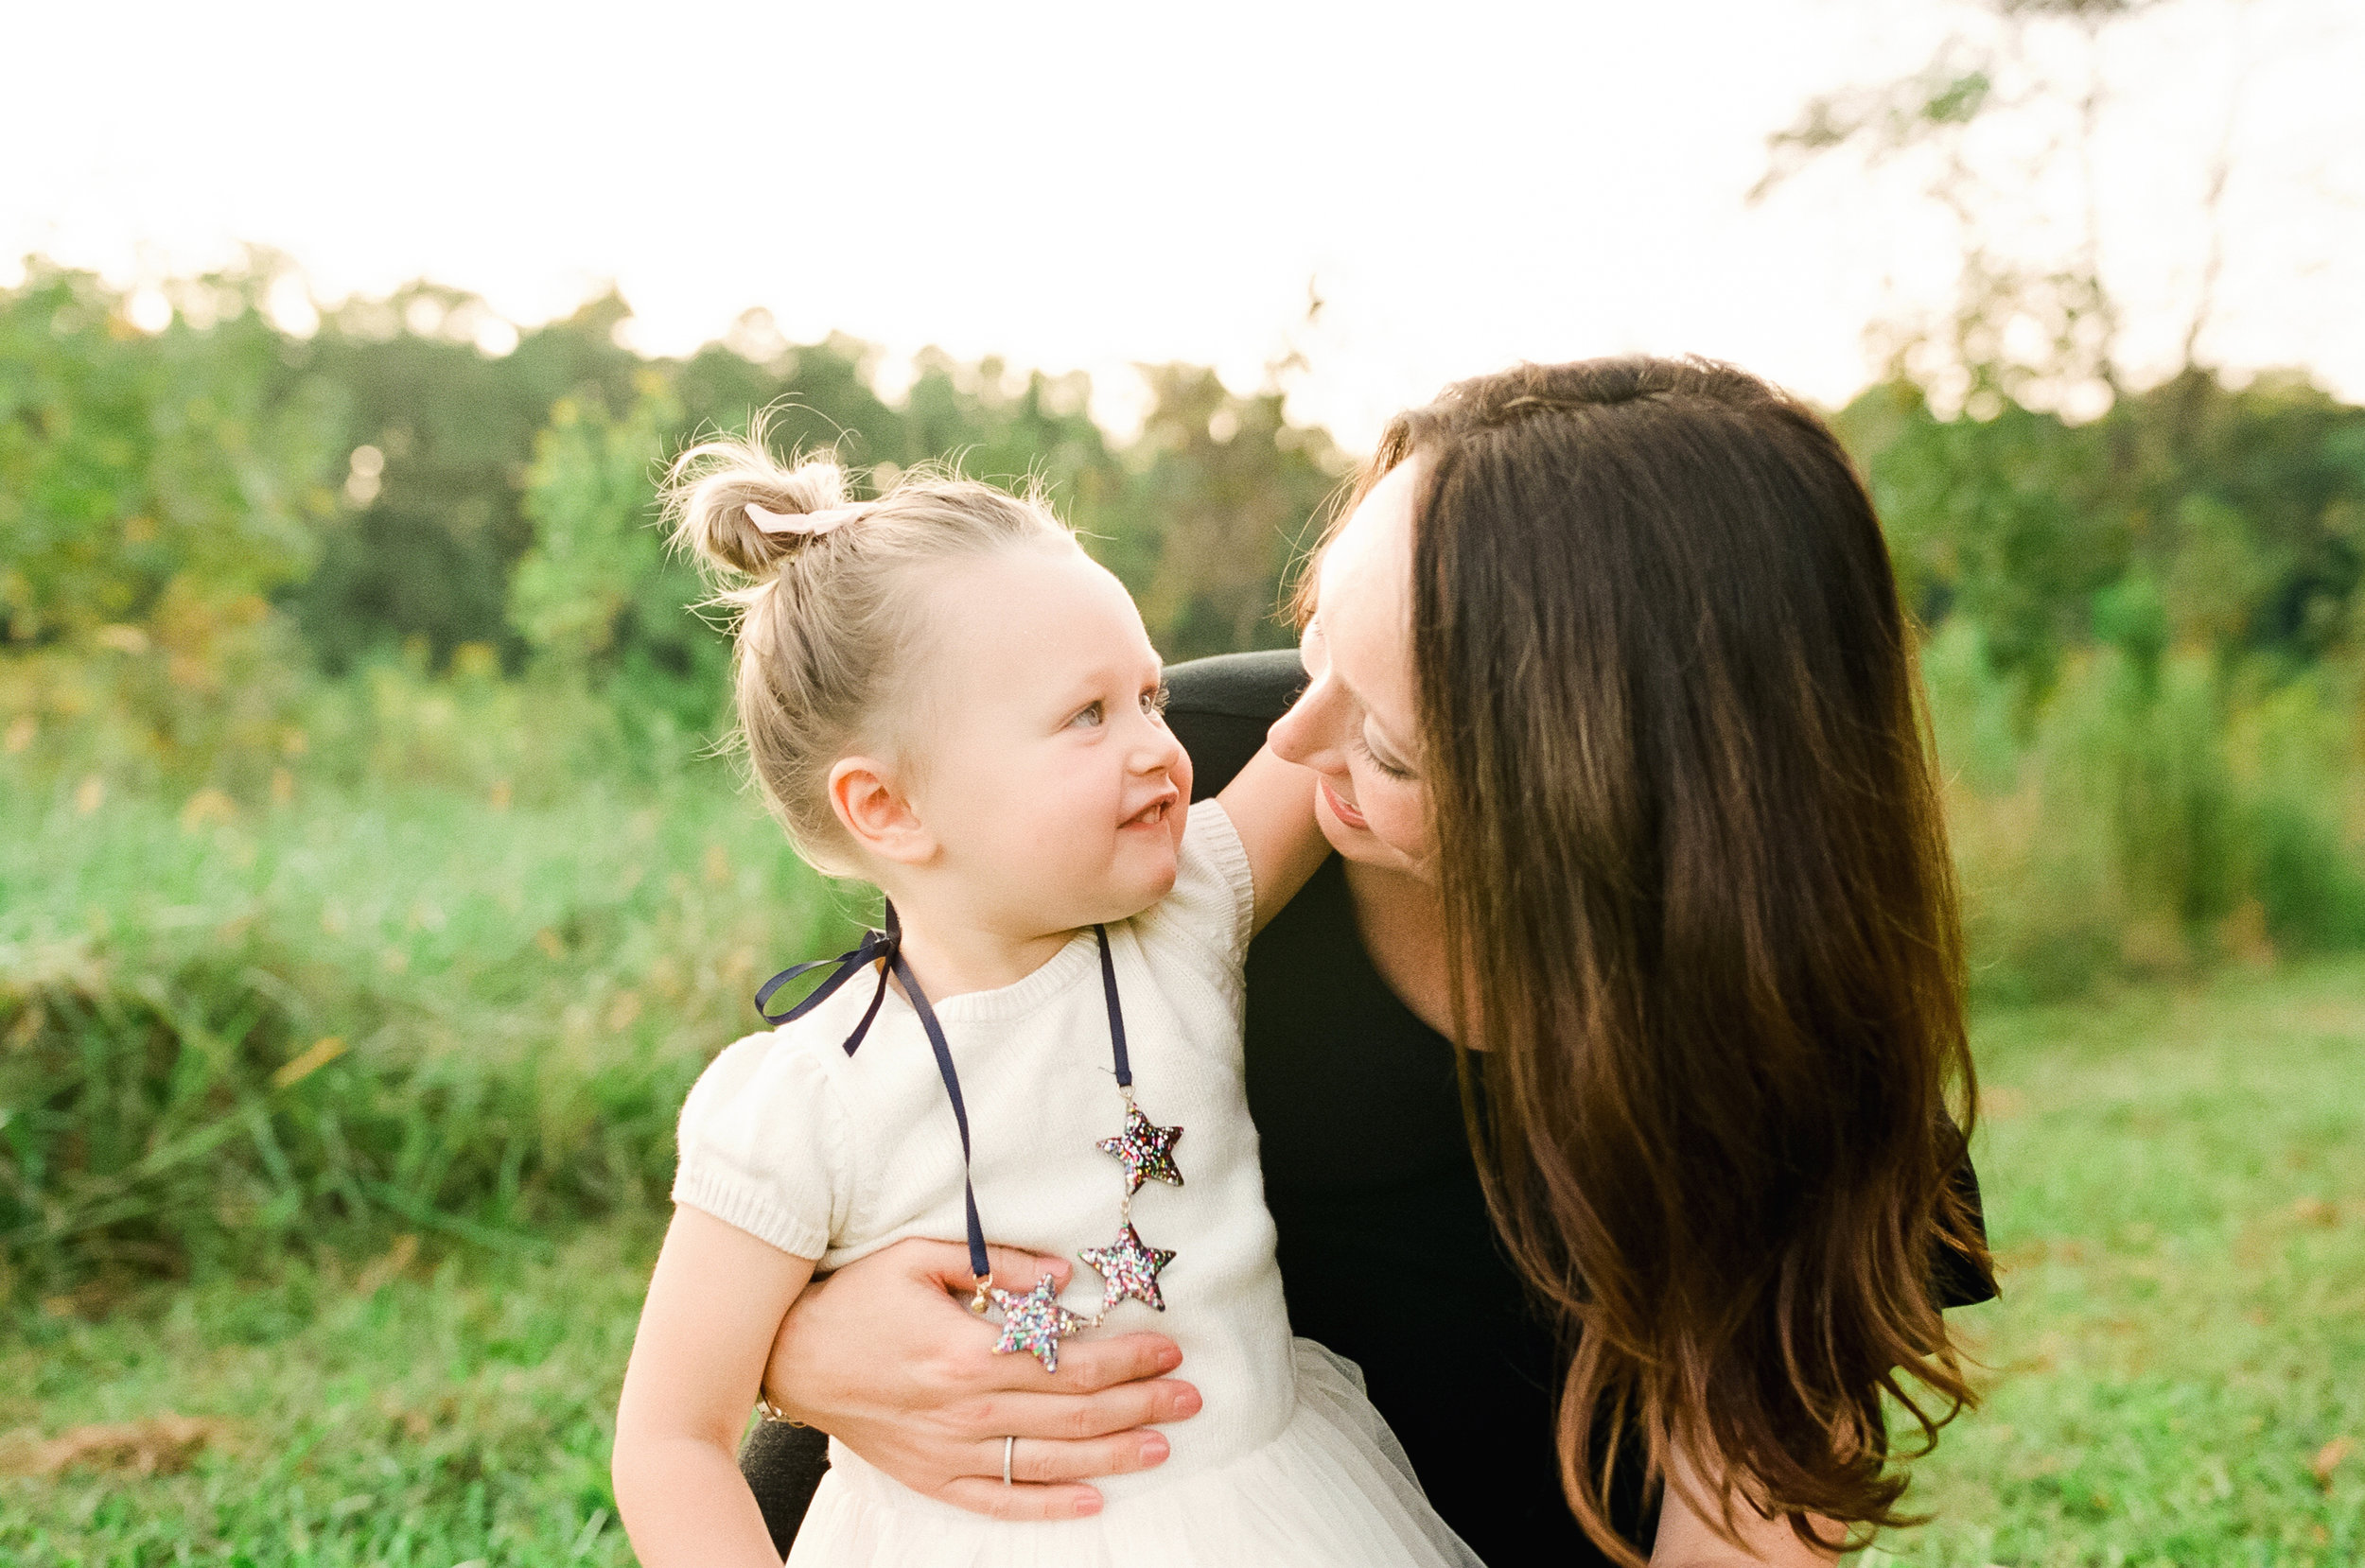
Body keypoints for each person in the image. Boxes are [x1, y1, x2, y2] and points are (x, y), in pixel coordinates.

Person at [738, 357, 1999, 1566]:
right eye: (1316, 633)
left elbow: (1746, 1528)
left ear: (1600, 798)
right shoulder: (1163, 790)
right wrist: (791, 1343)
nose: (1298, 729)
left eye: (1388, 746)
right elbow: (856, 1128)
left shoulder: (1796, 1029)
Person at [610, 428, 1483, 1568]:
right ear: (887, 807)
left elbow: (1353, 700)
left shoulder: (1187, 908)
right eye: (1088, 714)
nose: (1162, 750)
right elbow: (671, 1435)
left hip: (1269, 1510)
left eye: (1151, 695)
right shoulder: (805, 1096)